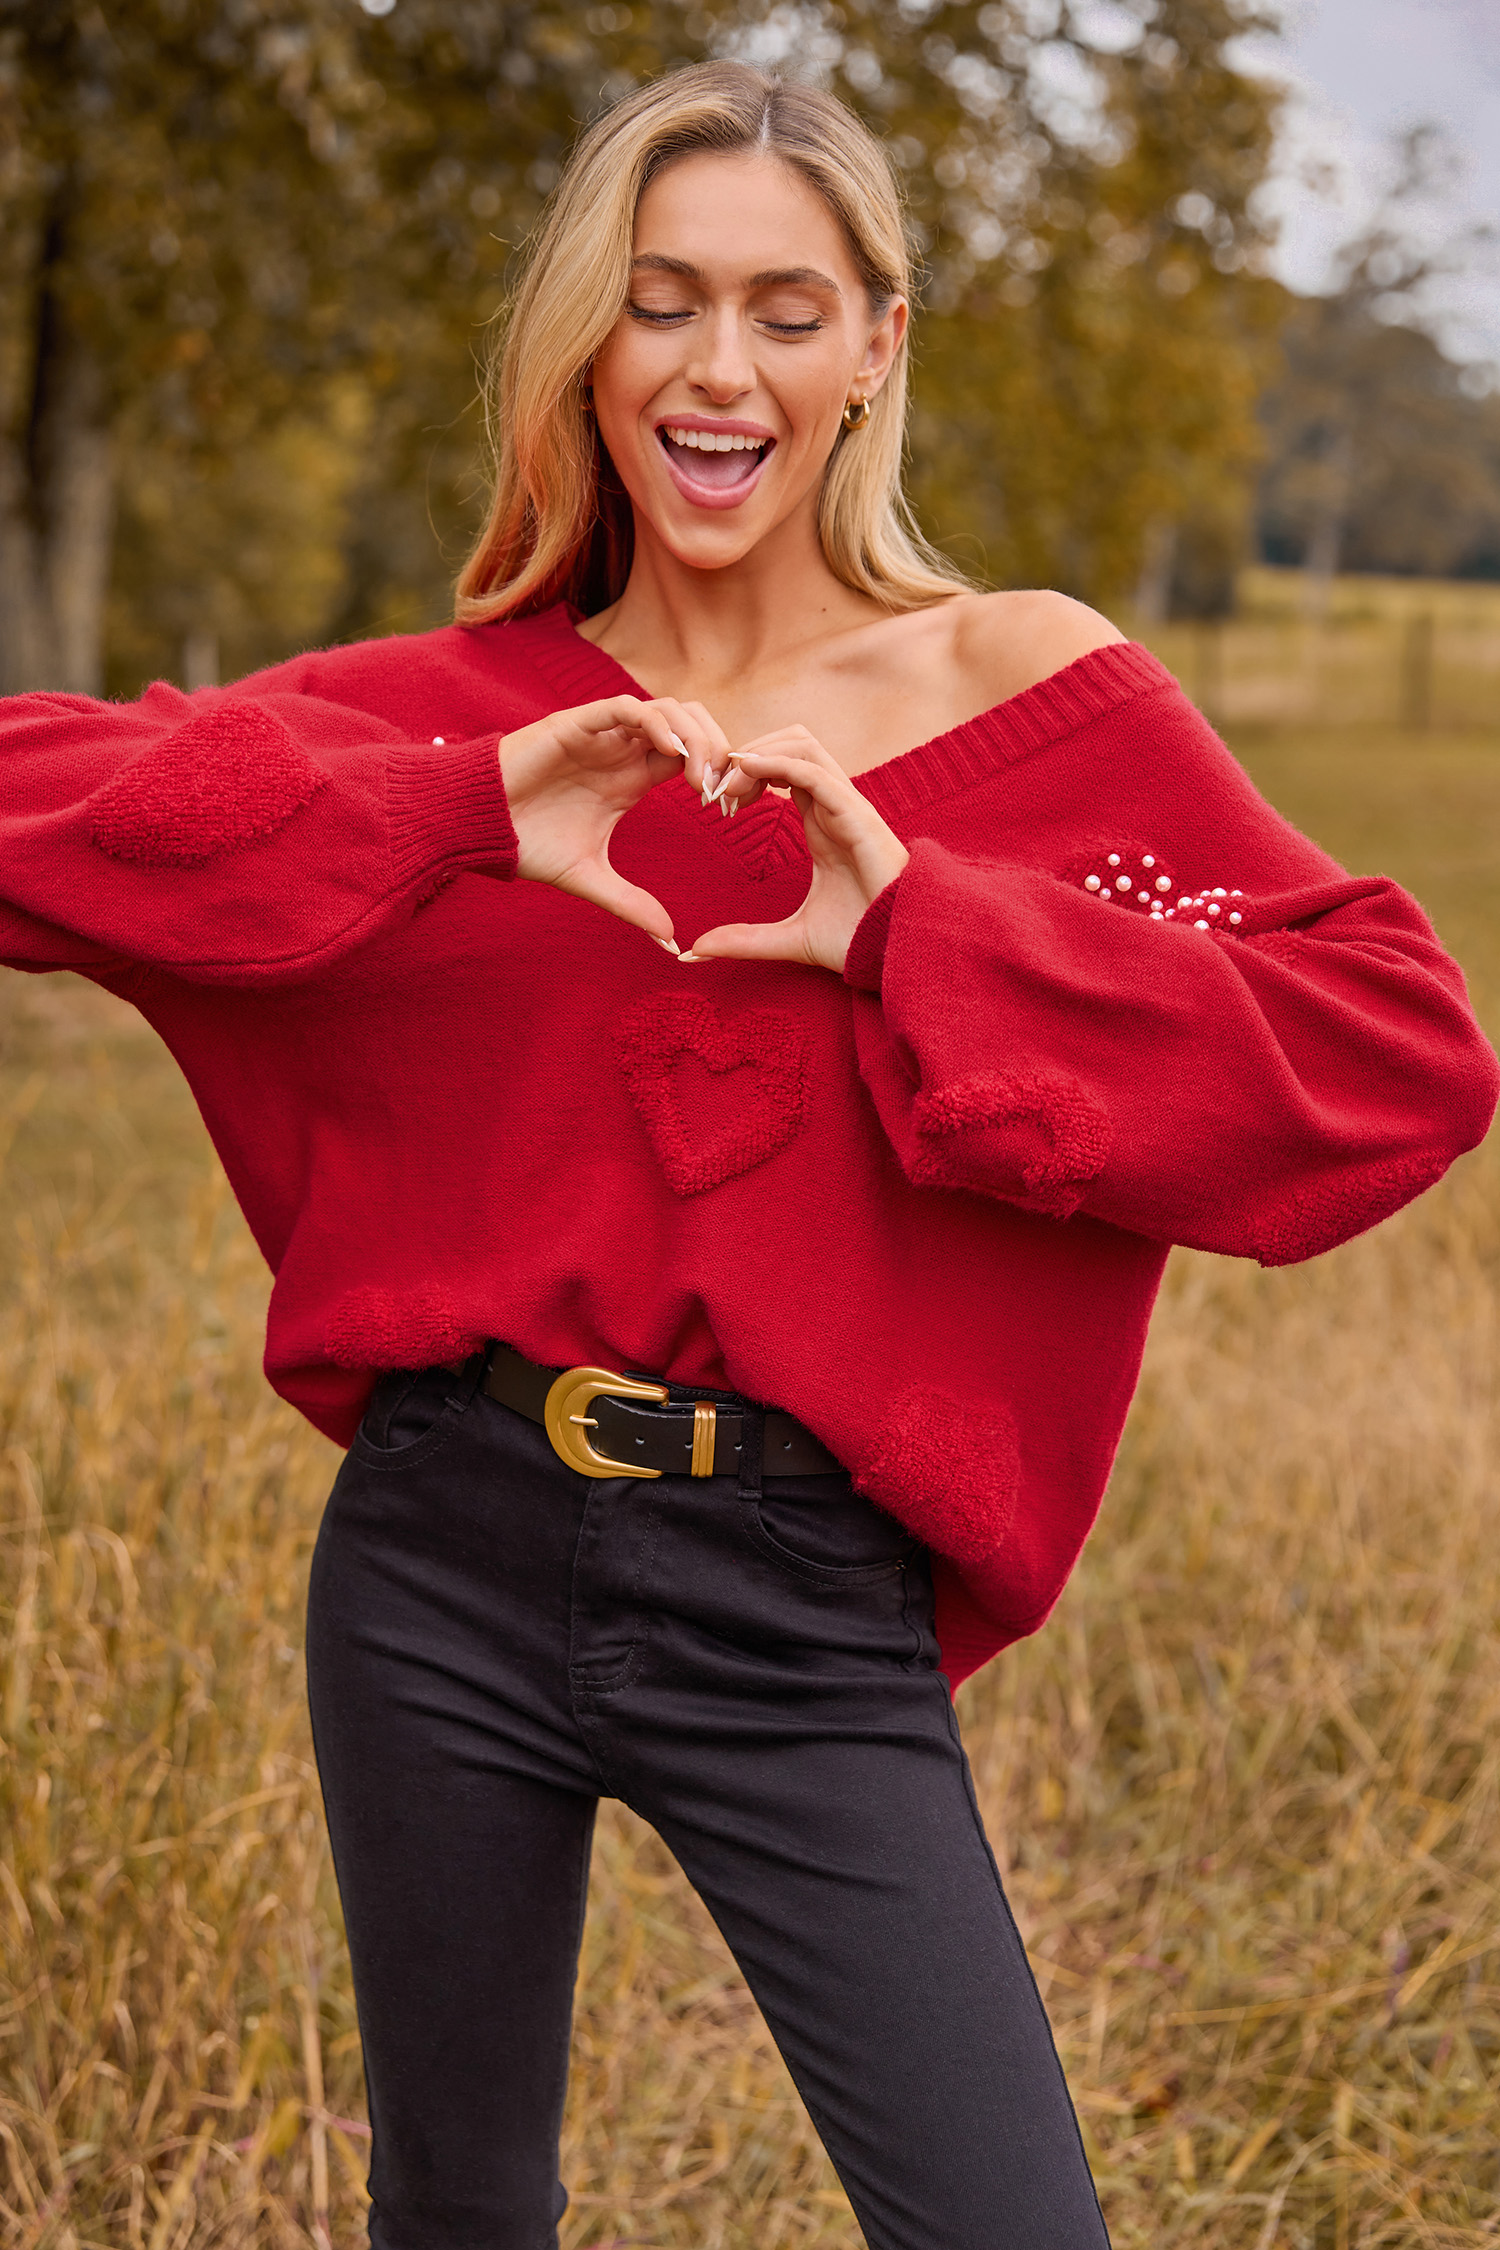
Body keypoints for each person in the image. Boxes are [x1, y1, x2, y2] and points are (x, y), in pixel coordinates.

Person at [1, 57, 1494, 2250]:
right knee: (459, 2213)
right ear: (587, 346)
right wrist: (455, 814)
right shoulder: (457, 712)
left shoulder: (1030, 692)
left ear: (881, 343)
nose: (720, 369)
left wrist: (914, 930)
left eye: (788, 310)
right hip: (440, 1554)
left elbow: (1397, 1048)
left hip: (803, 1601)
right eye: (663, 301)